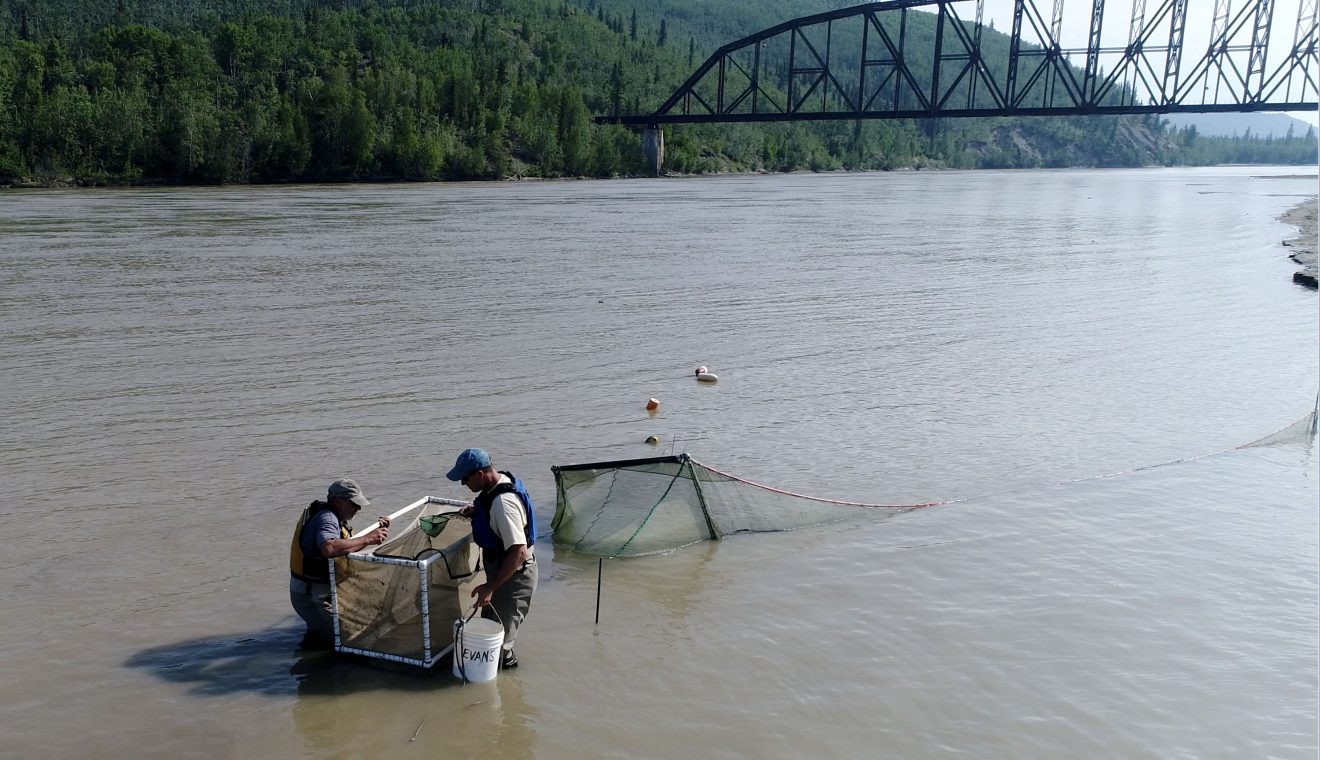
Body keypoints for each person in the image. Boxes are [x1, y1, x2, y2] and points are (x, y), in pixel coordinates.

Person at [447, 448, 538, 669]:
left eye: (465, 478)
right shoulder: (497, 484)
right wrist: (477, 512)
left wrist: (490, 588)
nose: (463, 484)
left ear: (479, 473)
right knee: (492, 629)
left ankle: (502, 688)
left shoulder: (503, 504)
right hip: (502, 574)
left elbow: (518, 552)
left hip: (514, 578)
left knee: (498, 647)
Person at [289, 478, 391, 644]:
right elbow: (329, 548)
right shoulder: (327, 518)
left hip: (309, 593)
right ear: (337, 501)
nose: (358, 508)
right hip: (312, 597)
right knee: (349, 639)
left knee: (321, 635)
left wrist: (375, 532)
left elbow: (344, 544)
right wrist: (368, 539)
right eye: (354, 503)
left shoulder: (330, 514)